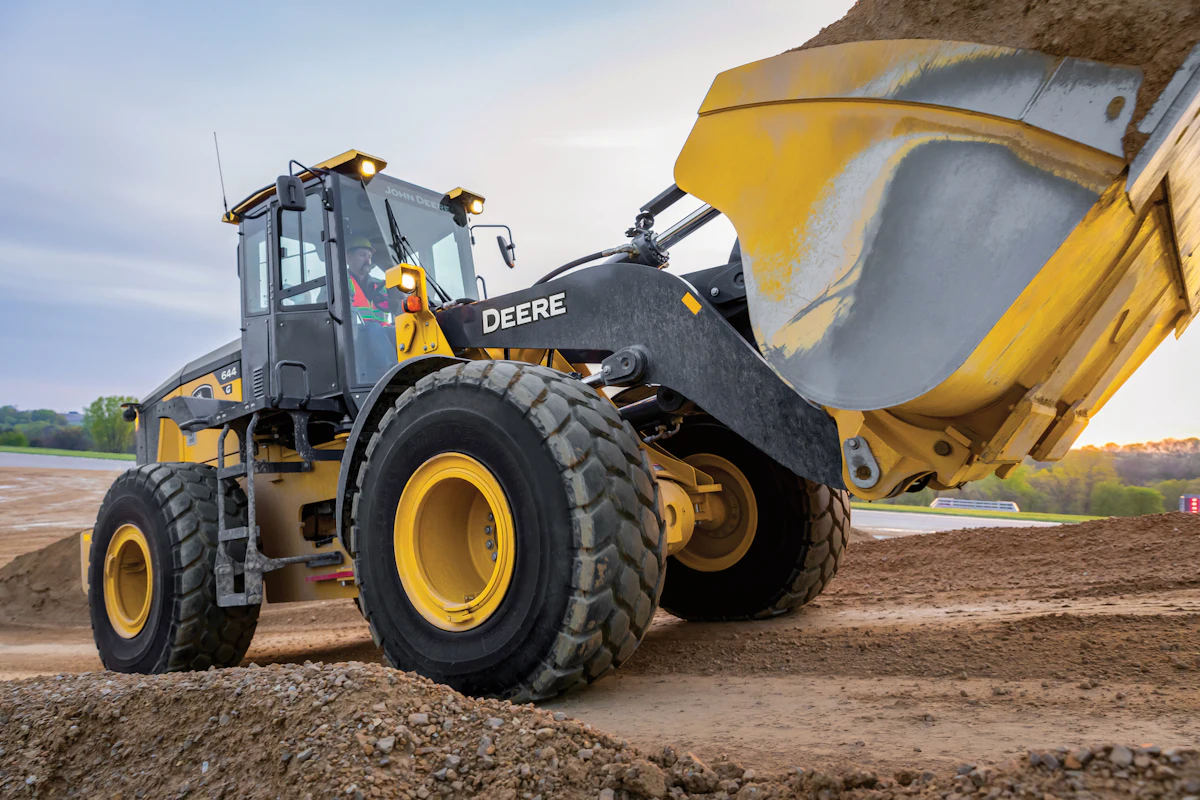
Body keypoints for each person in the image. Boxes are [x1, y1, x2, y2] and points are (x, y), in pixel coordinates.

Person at [345, 237, 392, 326]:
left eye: (369, 256)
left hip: (383, 331)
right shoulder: (339, 283)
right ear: (348, 257)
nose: (367, 260)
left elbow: (398, 305)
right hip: (355, 334)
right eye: (362, 255)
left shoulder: (381, 285)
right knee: (373, 327)